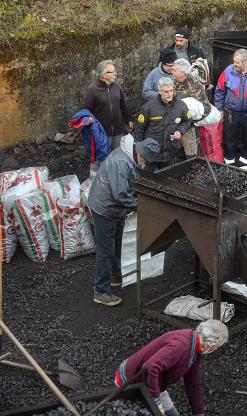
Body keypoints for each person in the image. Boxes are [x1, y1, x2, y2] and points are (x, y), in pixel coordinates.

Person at [88, 136, 160, 306]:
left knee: (116, 243)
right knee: (105, 251)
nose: (146, 164)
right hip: (105, 209)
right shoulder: (121, 162)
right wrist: (141, 206)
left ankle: (115, 276)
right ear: (141, 155)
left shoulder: (131, 156)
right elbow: (120, 195)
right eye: (147, 161)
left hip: (116, 209)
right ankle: (101, 291)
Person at [115, 319, 228, 415]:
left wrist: (199, 412)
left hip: (154, 382)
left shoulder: (196, 347)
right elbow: (150, 367)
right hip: (133, 380)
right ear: (212, 345)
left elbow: (193, 383)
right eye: (217, 347)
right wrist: (156, 401)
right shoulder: (181, 346)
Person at [215, 48, 247, 171]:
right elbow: (220, 90)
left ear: (246, 62)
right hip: (230, 112)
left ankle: (246, 169)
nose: (234, 64)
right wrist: (219, 109)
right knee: (228, 140)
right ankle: (228, 167)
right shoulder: (228, 70)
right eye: (234, 61)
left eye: (237, 62)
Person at [134, 77, 192, 169]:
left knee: (167, 178)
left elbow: (187, 121)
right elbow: (139, 131)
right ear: (159, 91)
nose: (169, 94)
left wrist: (180, 131)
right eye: (166, 91)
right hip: (151, 153)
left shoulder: (181, 105)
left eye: (171, 90)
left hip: (170, 151)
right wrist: (139, 152)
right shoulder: (148, 107)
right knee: (151, 179)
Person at [83, 60, 132, 151]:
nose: (115, 74)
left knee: (116, 157)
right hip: (101, 133)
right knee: (100, 160)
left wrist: (128, 120)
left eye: (115, 71)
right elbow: (85, 111)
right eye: (112, 72)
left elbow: (123, 106)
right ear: (103, 74)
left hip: (118, 131)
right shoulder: (92, 90)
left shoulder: (117, 87)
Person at [172, 58, 208, 158]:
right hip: (173, 124)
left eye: (175, 70)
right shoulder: (173, 82)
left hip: (189, 126)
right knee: (174, 152)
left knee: (190, 154)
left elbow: (204, 107)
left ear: (183, 72)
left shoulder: (195, 86)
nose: (172, 72)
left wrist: (189, 120)